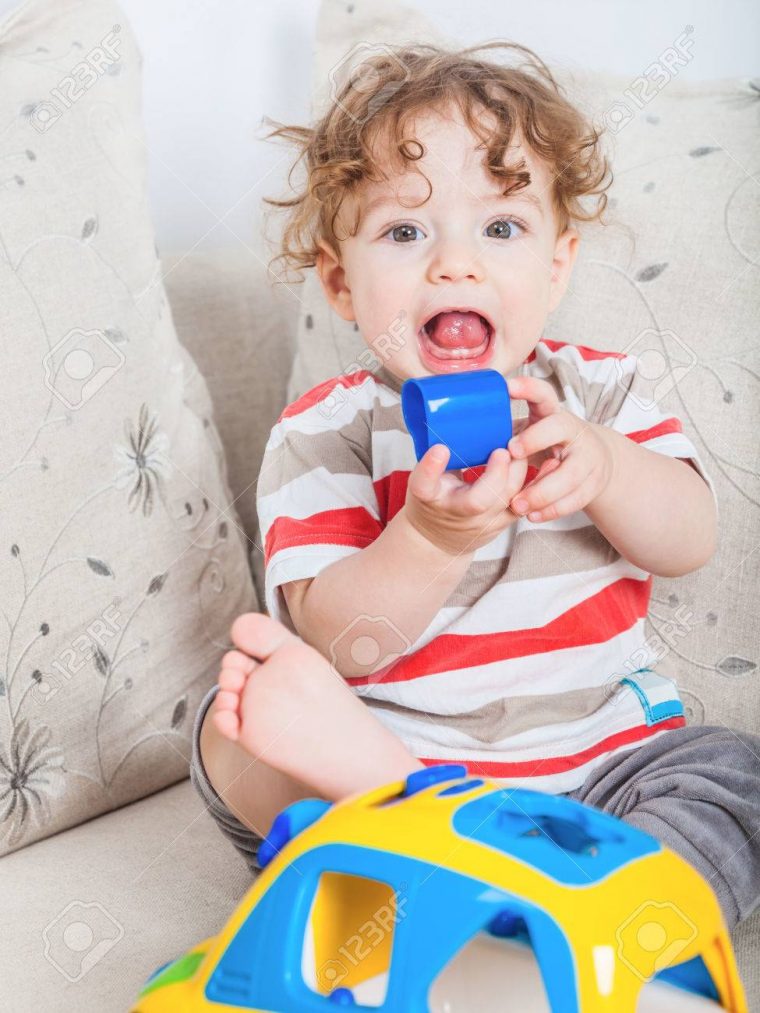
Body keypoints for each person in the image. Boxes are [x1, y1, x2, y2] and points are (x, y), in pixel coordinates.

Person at [191, 42, 760, 937]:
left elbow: (690, 538)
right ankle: (445, 855)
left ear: (557, 265)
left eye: (500, 229)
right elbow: (342, 645)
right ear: (342, 283)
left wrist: (607, 467)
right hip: (400, 763)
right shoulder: (323, 434)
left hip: (602, 775)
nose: (455, 265)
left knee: (731, 773)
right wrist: (427, 539)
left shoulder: (598, 396)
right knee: (233, 729)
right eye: (406, 233)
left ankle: (569, 916)